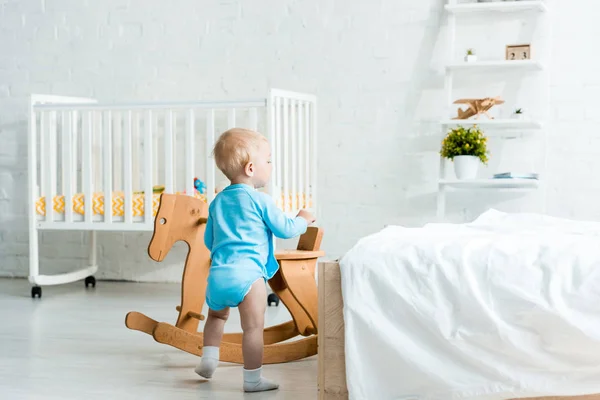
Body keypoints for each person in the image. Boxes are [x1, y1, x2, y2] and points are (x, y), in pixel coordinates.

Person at [195, 128, 316, 392]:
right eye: (269, 160)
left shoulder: (216, 203)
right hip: (249, 277)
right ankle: (252, 380)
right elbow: (285, 229)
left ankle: (208, 359)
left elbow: (208, 241)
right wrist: (302, 220)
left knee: (216, 317)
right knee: (253, 329)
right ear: (251, 168)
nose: (271, 165)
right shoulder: (261, 200)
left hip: (218, 275)